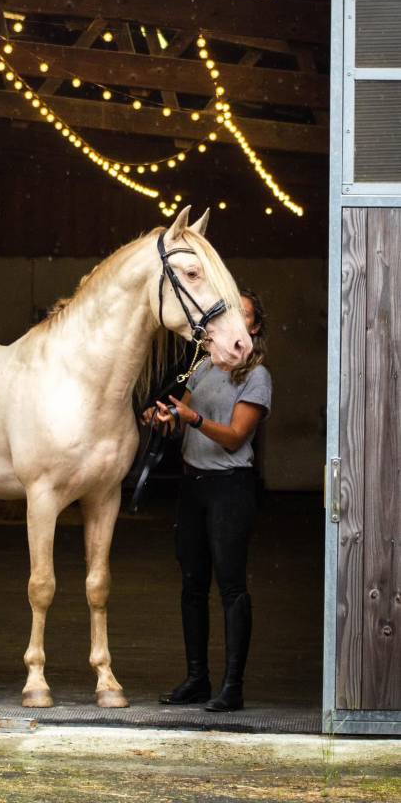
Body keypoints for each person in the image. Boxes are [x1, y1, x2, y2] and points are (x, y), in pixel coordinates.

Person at [153, 289, 271, 712]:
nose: (234, 320)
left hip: (230, 487)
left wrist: (195, 419)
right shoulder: (202, 367)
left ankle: (232, 686)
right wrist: (166, 420)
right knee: (192, 585)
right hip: (194, 486)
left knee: (232, 587)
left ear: (253, 328)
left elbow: (236, 436)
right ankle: (197, 678)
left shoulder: (257, 377)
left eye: (244, 315)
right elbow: (180, 423)